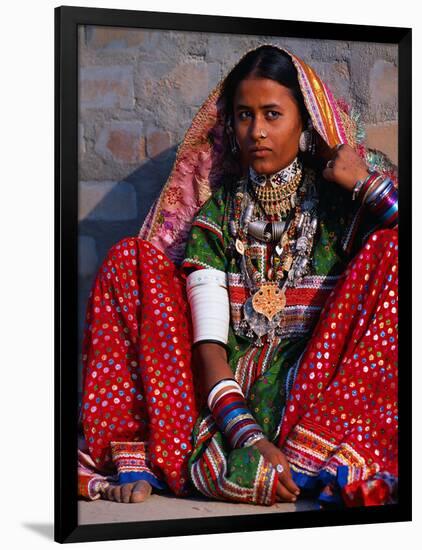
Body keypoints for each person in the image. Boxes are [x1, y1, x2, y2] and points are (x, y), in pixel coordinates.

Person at [78, 44, 398, 508]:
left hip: (318, 391)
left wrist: (366, 185)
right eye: (245, 116)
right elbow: (210, 346)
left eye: (273, 114)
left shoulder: (340, 204)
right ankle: (149, 454)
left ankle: (319, 457)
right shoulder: (220, 212)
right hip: (225, 396)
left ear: (305, 121)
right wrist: (248, 437)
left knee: (394, 246)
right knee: (131, 259)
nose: (257, 131)